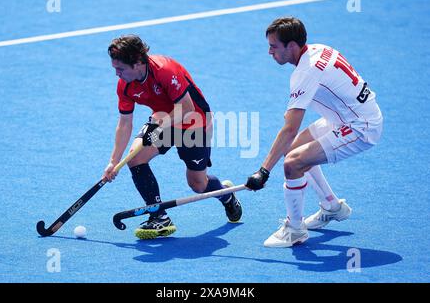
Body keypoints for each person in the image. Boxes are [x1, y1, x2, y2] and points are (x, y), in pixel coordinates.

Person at [246, 17, 383, 248]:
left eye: (273, 46)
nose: (270, 52)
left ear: (291, 46)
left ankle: (295, 230)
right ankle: (332, 206)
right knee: (295, 151)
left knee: (292, 164)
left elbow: (290, 129)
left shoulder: (305, 74)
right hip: (348, 116)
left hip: (361, 127)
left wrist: (263, 171)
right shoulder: (319, 49)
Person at [102, 34, 242, 239]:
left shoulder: (165, 71)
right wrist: (114, 162)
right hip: (163, 120)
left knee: (197, 184)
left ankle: (225, 194)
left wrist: (159, 128)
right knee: (135, 158)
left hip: (195, 122)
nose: (117, 74)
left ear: (138, 63)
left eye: (120, 69)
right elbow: (124, 124)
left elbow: (187, 108)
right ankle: (159, 216)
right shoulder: (125, 85)